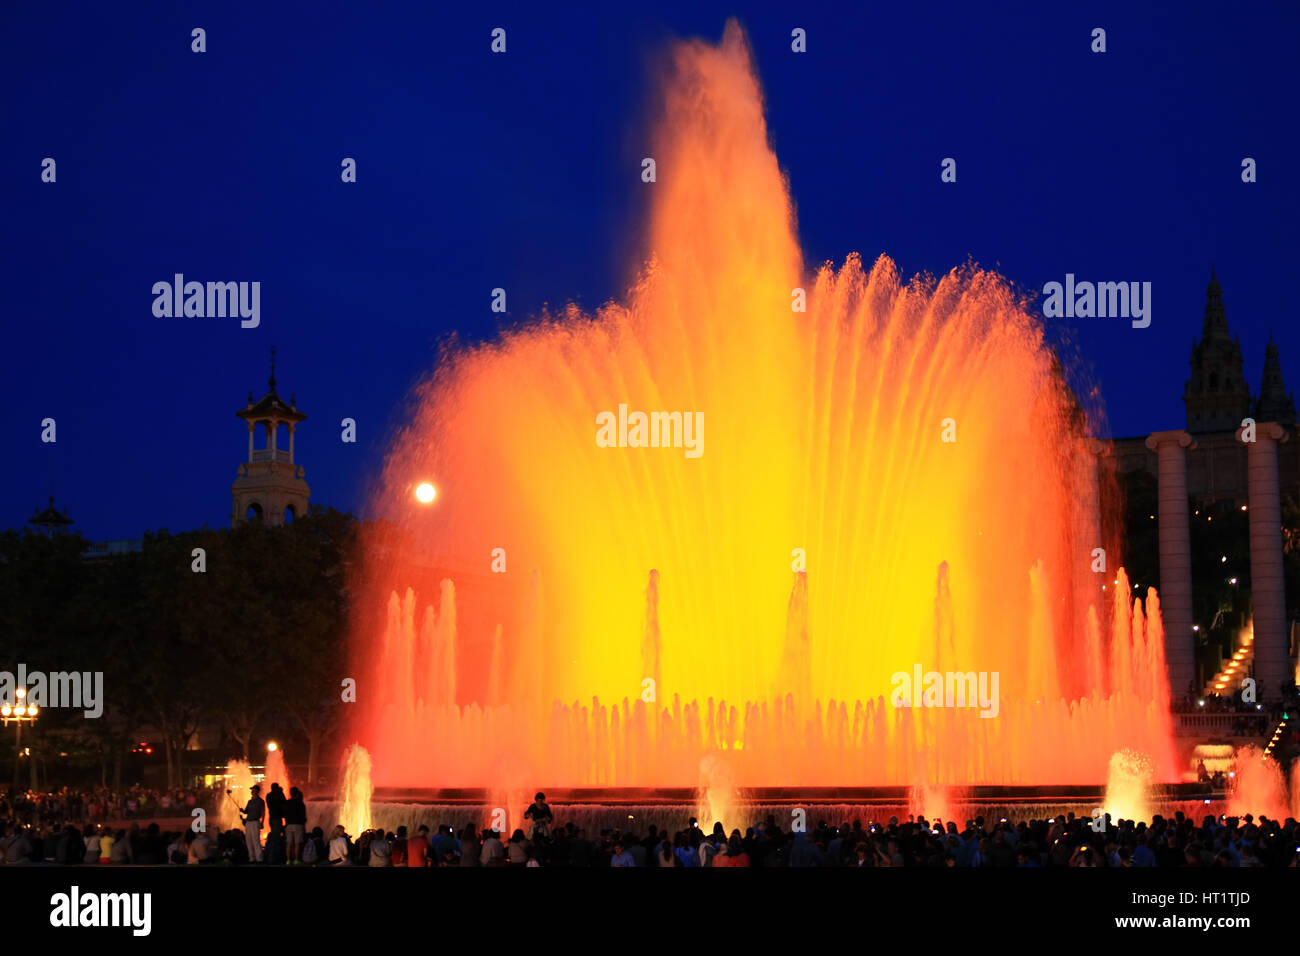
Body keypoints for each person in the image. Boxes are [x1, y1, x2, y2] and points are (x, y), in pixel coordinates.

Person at [284, 787, 307, 865]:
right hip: (298, 825)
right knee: (297, 843)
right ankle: (296, 859)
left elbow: (284, 813)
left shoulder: (287, 802)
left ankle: (288, 860)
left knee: (289, 843)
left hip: (289, 825)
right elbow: (303, 816)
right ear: (297, 794)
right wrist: (304, 825)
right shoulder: (300, 803)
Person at [243, 785, 265, 863]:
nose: (252, 791)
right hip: (248, 822)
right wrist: (242, 811)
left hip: (255, 822)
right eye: (252, 790)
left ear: (257, 791)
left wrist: (262, 822)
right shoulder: (250, 801)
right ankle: (251, 858)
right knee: (248, 840)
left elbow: (263, 812)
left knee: (256, 840)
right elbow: (246, 811)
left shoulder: (260, 801)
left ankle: (259, 858)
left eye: (253, 790)